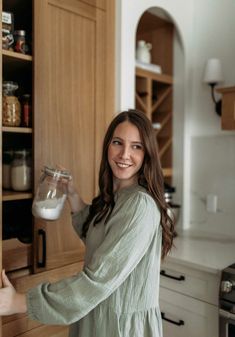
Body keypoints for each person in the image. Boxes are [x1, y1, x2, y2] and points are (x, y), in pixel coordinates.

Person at [0, 109, 175, 337]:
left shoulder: (139, 205)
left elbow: (97, 280)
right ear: (107, 146)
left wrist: (21, 302)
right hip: (98, 314)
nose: (124, 154)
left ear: (147, 154)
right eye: (117, 142)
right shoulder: (118, 196)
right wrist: (71, 194)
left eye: (136, 146)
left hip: (120, 328)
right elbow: (97, 235)